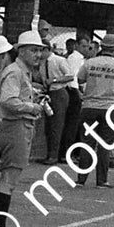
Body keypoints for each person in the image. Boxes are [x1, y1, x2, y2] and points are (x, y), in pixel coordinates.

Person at [0, 31, 49, 227]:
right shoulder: (16, 72)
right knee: (9, 177)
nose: (38, 55)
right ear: (22, 51)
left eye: (40, 51)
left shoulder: (21, 72)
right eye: (34, 50)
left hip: (19, 127)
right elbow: (8, 100)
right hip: (15, 127)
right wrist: (31, 107)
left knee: (9, 178)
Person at [75, 31, 114, 186]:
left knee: (87, 143)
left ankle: (81, 179)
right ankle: (102, 180)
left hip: (89, 107)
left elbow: (80, 79)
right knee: (105, 145)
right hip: (111, 108)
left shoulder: (90, 63)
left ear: (101, 46)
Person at [35, 20, 75, 163]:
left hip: (59, 92)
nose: (39, 54)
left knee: (56, 124)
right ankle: (49, 153)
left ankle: (54, 155)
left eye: (41, 50)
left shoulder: (58, 60)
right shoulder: (40, 64)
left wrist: (54, 80)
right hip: (48, 93)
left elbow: (70, 76)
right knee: (49, 124)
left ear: (47, 50)